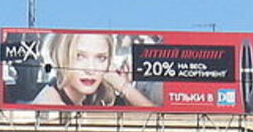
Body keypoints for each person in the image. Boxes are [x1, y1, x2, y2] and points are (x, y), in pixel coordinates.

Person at [29, 31, 157, 108]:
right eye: (79, 56)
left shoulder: (85, 97)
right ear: (62, 55)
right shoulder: (52, 107)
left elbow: (157, 120)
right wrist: (124, 88)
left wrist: (122, 87)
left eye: (101, 58)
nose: (91, 69)